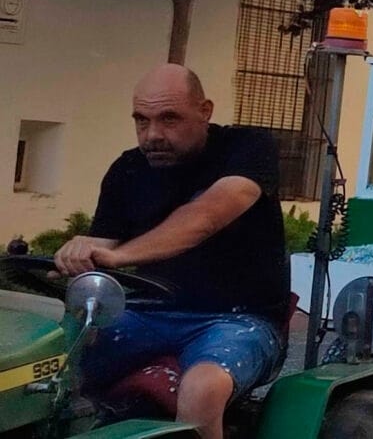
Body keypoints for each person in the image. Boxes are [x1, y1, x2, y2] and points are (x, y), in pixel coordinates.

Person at [55, 66, 288, 439]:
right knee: (50, 363)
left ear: (205, 110)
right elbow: (104, 243)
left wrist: (119, 257)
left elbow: (207, 216)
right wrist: (78, 251)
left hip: (238, 319)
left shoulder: (247, 148)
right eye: (141, 121)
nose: (153, 135)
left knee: (201, 391)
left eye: (169, 119)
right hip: (144, 314)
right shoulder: (128, 169)